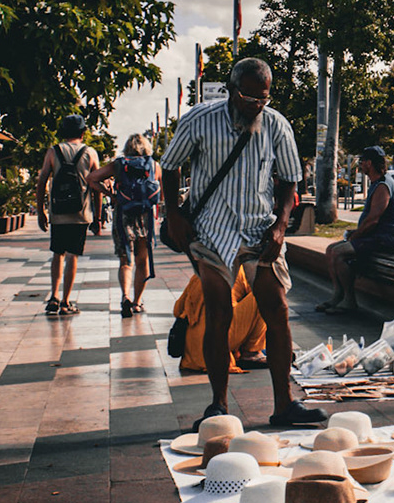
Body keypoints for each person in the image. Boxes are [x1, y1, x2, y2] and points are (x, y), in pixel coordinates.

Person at [159, 57, 316, 426]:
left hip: (257, 229)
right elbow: (169, 166)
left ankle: (284, 405)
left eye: (262, 97)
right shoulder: (199, 120)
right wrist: (174, 214)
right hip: (212, 231)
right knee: (219, 310)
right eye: (248, 96)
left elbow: (290, 180)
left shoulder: (276, 125)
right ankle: (218, 407)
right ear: (231, 90)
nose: (255, 104)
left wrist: (280, 226)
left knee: (276, 310)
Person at [318, 146, 394, 315]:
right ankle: (338, 294)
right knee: (330, 250)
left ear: (369, 163)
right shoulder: (377, 183)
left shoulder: (383, 186)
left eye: (362, 161)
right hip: (374, 237)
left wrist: (355, 235)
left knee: (339, 253)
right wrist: (354, 234)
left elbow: (373, 219)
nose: (361, 164)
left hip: (385, 240)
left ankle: (349, 300)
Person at [88, 134, 161, 315]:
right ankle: (137, 302)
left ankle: (125, 296)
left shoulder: (119, 165)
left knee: (125, 261)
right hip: (145, 217)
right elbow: (162, 191)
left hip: (123, 215)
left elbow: (91, 178)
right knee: (142, 261)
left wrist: (111, 195)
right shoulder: (154, 166)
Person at [36, 115, 101, 317]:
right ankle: (66, 301)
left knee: (58, 253)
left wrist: (41, 211)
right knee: (73, 255)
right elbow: (97, 187)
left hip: (58, 213)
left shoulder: (53, 152)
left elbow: (42, 181)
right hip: (80, 213)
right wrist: (98, 218)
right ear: (83, 133)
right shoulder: (90, 153)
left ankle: (54, 297)